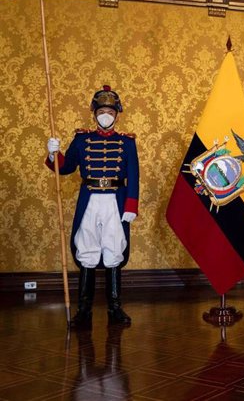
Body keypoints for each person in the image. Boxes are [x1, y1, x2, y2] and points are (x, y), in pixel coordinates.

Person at [46, 85, 139, 328]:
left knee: (113, 249)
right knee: (86, 249)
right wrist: (53, 154)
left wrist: (131, 204)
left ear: (117, 114)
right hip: (90, 198)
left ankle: (115, 309)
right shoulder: (81, 139)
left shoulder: (127, 142)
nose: (105, 115)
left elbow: (134, 175)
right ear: (94, 113)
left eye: (109, 111)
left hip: (115, 201)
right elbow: (66, 169)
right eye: (101, 111)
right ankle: (84, 310)